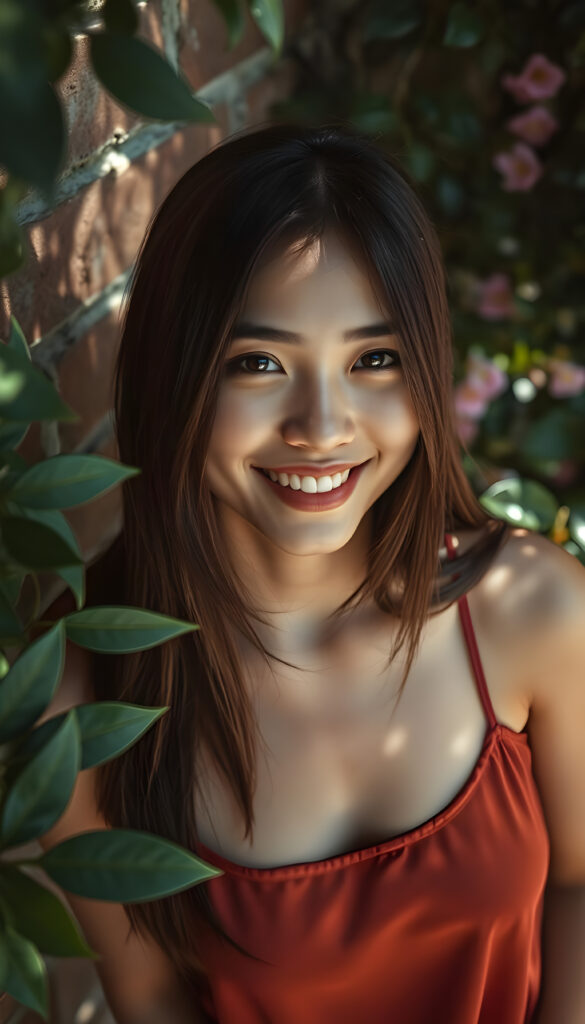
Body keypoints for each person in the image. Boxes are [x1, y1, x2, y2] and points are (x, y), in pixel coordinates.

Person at [39, 122, 585, 1024]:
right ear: (175, 373)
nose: (322, 427)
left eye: (374, 359)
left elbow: (577, 881)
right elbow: (150, 999)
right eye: (258, 363)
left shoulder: (530, 610)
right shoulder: (83, 703)